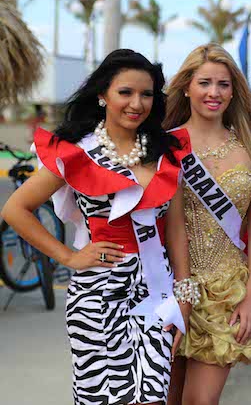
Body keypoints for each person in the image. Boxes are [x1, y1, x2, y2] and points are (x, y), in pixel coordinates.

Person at [1, 49, 191, 405]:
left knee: (153, 397)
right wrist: (68, 257)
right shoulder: (78, 152)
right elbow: (16, 209)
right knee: (103, 397)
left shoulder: (165, 152)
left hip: (155, 292)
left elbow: (176, 231)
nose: (136, 103)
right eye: (125, 92)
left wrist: (184, 296)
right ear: (103, 95)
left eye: (146, 94)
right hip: (98, 294)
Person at [164, 44, 251, 405]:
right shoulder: (168, 145)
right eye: (204, 83)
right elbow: (170, 225)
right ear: (186, 87)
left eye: (223, 84)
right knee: (165, 397)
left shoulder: (250, 149)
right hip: (170, 286)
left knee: (201, 400)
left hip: (227, 291)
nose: (214, 93)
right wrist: (182, 294)